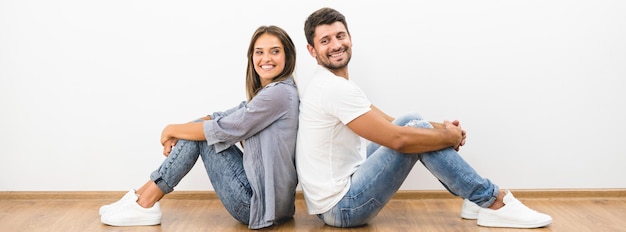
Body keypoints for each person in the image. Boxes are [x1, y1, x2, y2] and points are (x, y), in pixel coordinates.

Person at [296, 7, 552, 229]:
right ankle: (492, 200)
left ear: (350, 38)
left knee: (412, 119)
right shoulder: (334, 89)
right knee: (412, 132)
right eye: (325, 41)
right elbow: (398, 140)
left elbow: (391, 121)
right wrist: (442, 137)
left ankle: (475, 201)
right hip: (343, 208)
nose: (336, 45)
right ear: (312, 49)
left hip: (337, 195)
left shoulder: (332, 84)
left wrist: (443, 130)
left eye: (340, 36)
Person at [99, 25, 300, 229]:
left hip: (256, 206)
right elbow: (220, 117)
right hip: (273, 205)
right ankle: (140, 196)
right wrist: (178, 132)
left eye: (275, 51)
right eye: (259, 52)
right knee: (201, 129)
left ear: (287, 56)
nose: (266, 58)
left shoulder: (279, 94)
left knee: (204, 135)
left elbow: (219, 129)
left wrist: (170, 129)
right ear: (252, 57)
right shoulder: (271, 94)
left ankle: (145, 203)